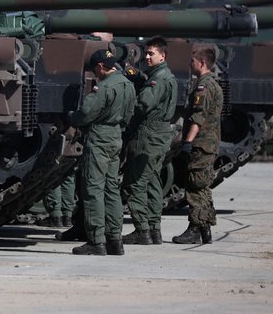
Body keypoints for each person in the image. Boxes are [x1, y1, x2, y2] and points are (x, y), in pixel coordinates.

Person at [59, 49, 136, 255]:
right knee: (111, 188)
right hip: (116, 137)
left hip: (99, 137)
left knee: (93, 188)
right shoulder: (127, 85)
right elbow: (130, 113)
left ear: (100, 67)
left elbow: (85, 114)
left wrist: (71, 116)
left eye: (95, 70)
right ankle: (115, 239)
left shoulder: (102, 88)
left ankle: (96, 240)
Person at [120, 36, 177, 245]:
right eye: (146, 53)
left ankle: (142, 230)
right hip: (159, 134)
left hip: (149, 134)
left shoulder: (159, 78)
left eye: (151, 53)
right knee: (152, 181)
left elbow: (144, 104)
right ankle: (154, 229)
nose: (147, 57)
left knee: (134, 182)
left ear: (163, 55)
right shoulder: (163, 76)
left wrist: (123, 105)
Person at [172, 47, 222, 244]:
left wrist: (188, 142)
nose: (189, 63)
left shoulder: (204, 86)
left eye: (192, 60)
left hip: (201, 143)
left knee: (194, 186)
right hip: (208, 143)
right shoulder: (212, 84)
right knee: (202, 186)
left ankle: (194, 229)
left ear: (201, 63)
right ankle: (204, 229)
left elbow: (197, 117)